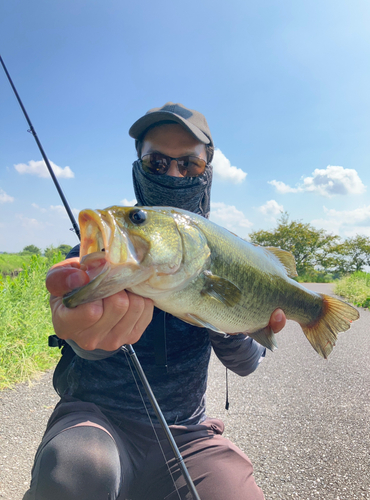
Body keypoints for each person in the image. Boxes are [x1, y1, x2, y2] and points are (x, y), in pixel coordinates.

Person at [23, 102, 287, 500]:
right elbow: (82, 339)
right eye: (156, 162)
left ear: (206, 174)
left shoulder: (234, 257)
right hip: (96, 420)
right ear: (138, 168)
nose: (173, 173)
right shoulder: (106, 253)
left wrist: (229, 317)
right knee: (74, 472)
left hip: (187, 433)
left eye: (189, 165)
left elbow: (246, 364)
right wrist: (84, 336)